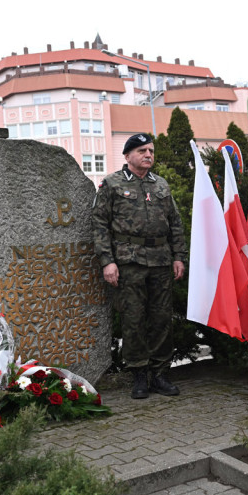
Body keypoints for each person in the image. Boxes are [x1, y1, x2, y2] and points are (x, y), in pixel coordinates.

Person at [92, 134, 186, 399]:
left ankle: (159, 373)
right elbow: (99, 224)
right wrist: (107, 261)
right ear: (128, 155)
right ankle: (139, 375)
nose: (148, 155)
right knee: (133, 319)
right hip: (129, 261)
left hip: (160, 260)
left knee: (161, 319)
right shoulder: (112, 183)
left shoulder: (161, 185)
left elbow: (175, 223)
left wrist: (179, 256)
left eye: (151, 151)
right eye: (142, 150)